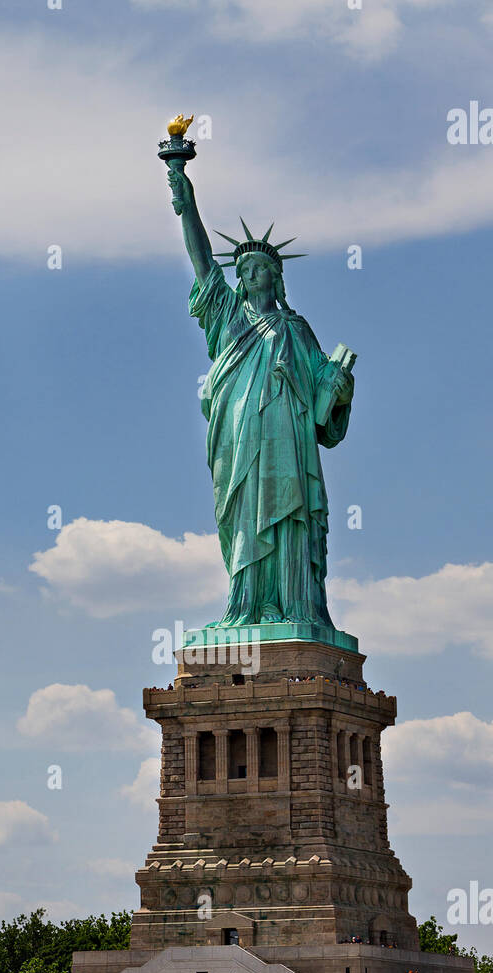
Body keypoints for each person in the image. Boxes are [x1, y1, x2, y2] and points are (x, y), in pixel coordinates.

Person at [165, 158, 354, 631]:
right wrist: (186, 202)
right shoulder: (227, 316)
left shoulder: (296, 328)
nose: (249, 275)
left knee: (288, 514)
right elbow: (203, 261)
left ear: (276, 277)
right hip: (238, 432)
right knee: (244, 513)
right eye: (243, 269)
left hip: (287, 438)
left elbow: (322, 408)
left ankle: (293, 607)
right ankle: (248, 605)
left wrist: (340, 387)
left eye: (259, 268)